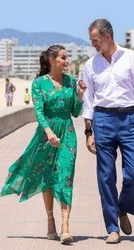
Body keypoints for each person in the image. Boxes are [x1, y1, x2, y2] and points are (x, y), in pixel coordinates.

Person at [0, 45, 86, 244]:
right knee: (47, 177)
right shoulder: (39, 83)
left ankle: (65, 226)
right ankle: (50, 220)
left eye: (67, 57)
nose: (67, 61)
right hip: (46, 134)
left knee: (65, 175)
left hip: (67, 133)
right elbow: (39, 112)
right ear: (52, 60)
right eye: (63, 57)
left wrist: (80, 95)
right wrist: (48, 132)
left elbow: (75, 112)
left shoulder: (71, 82)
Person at [82, 19, 134, 244]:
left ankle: (122, 206)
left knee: (132, 173)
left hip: (130, 117)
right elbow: (88, 99)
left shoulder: (131, 58)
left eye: (95, 40)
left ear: (107, 37)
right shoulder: (89, 65)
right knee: (105, 177)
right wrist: (88, 132)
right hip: (102, 119)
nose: (93, 44)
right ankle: (112, 227)